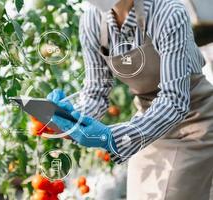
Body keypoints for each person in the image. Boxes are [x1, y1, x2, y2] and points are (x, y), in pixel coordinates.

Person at [47, 0, 213, 199]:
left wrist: (113, 137)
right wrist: (73, 118)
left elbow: (174, 100)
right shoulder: (91, 20)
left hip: (194, 122)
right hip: (146, 126)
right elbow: (96, 91)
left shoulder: (167, 12)